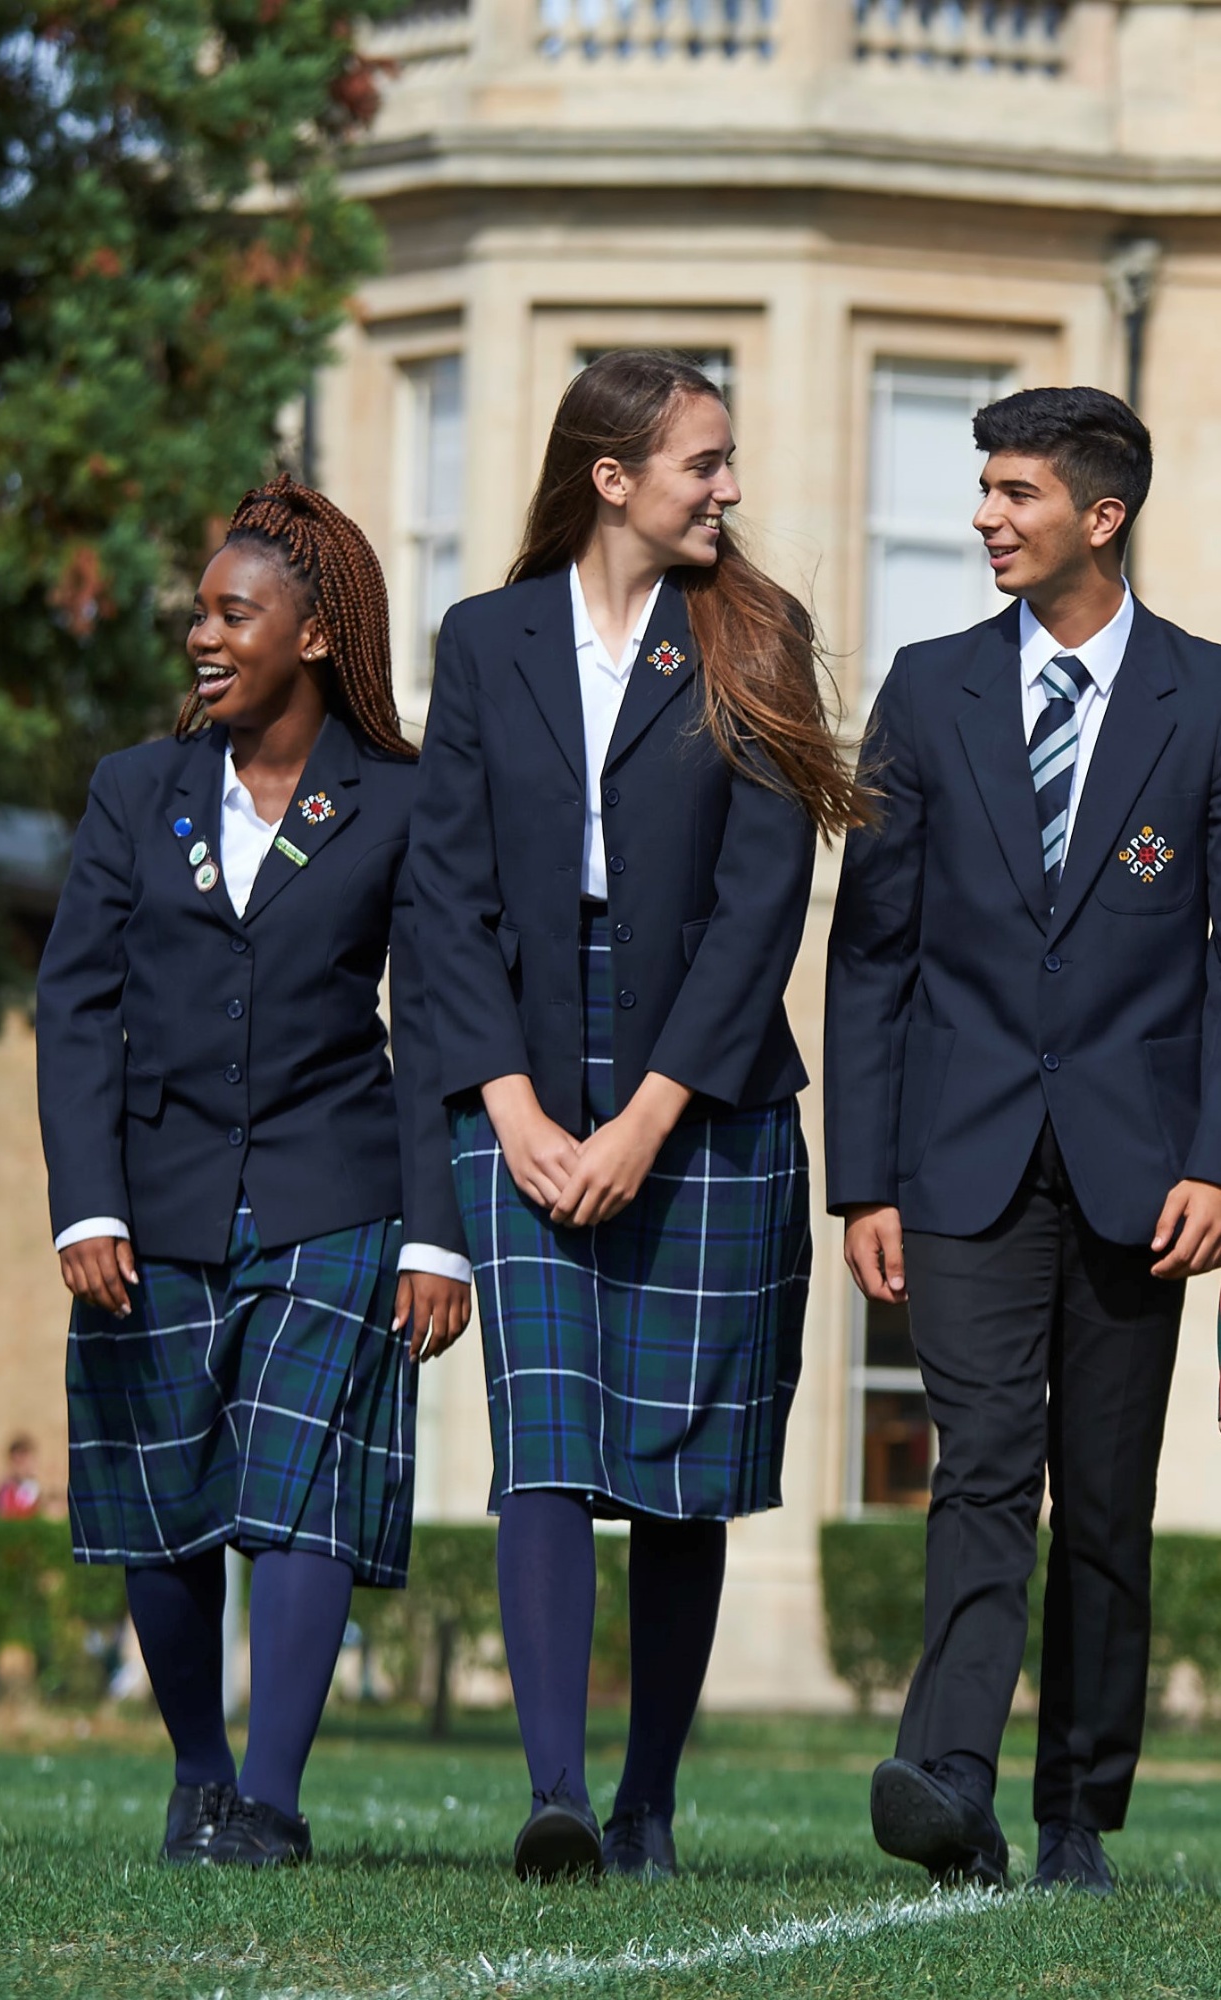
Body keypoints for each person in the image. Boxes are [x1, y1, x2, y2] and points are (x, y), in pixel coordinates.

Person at [410, 350, 866, 1882]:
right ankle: (553, 1799)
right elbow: (443, 895)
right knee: (541, 1432)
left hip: (708, 1083)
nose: (726, 489)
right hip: (522, 1073)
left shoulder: (754, 634)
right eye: (701, 463)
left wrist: (647, 1115)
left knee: (681, 1460)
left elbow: (760, 905)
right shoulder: (482, 641)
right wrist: (511, 1107)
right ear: (610, 479)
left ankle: (646, 1805)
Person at [35, 474, 472, 1867]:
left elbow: (441, 1019)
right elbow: (73, 1006)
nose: (201, 639)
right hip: (147, 1202)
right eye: (197, 616)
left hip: (333, 1192)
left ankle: (271, 1806)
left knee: (295, 1491)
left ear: (316, 636)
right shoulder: (132, 790)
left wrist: (434, 1235)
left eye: (235, 613)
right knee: (161, 1507)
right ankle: (201, 1776)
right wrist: (85, 1201)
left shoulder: (400, 802)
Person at [826, 385, 1221, 1896]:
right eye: (980, 490)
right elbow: (869, 952)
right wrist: (862, 1176)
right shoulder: (925, 695)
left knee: (1105, 1500)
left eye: (1014, 494)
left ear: (1097, 517)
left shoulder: (1204, 699)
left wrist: (1209, 1156)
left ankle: (1075, 1820)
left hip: (1142, 1170)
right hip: (960, 1157)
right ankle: (946, 1778)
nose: (984, 517)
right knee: (982, 1459)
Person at [0, 1435, 43, 1519]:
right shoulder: (4, 1490)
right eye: (17, 1461)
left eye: (24, 1460)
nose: (21, 1466)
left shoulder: (40, 1490)